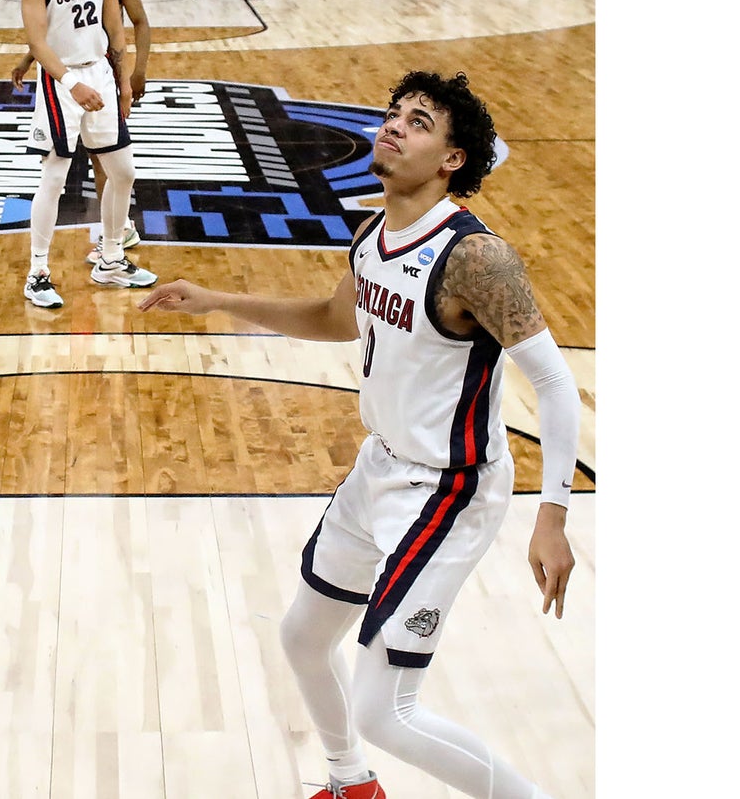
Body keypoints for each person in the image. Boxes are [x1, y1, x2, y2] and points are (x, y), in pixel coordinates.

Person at [140, 71, 580, 799]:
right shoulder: (372, 233)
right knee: (302, 638)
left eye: (417, 121)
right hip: (377, 467)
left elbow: (557, 384)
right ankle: (352, 785)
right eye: (393, 113)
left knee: (388, 710)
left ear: (451, 159)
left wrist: (553, 515)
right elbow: (333, 318)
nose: (393, 125)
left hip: (448, 488)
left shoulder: (475, 258)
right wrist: (214, 298)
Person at [17, 0, 155, 308]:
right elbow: (38, 43)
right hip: (62, 79)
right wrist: (70, 83)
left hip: (99, 72)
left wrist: (124, 81)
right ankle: (38, 272)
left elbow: (115, 28)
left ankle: (111, 258)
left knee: (123, 171)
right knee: (55, 177)